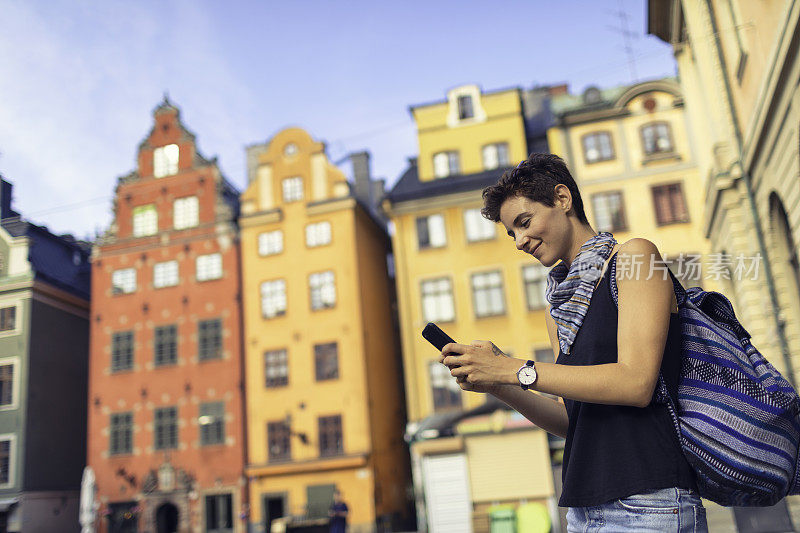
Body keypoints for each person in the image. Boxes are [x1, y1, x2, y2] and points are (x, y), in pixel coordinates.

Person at [439, 153, 708, 532]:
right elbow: (573, 420)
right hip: (582, 511)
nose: (519, 241)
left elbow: (636, 382)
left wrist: (513, 368)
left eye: (524, 222)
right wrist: (500, 384)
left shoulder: (635, 258)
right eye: (511, 233)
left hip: (650, 503)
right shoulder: (559, 310)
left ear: (563, 199)